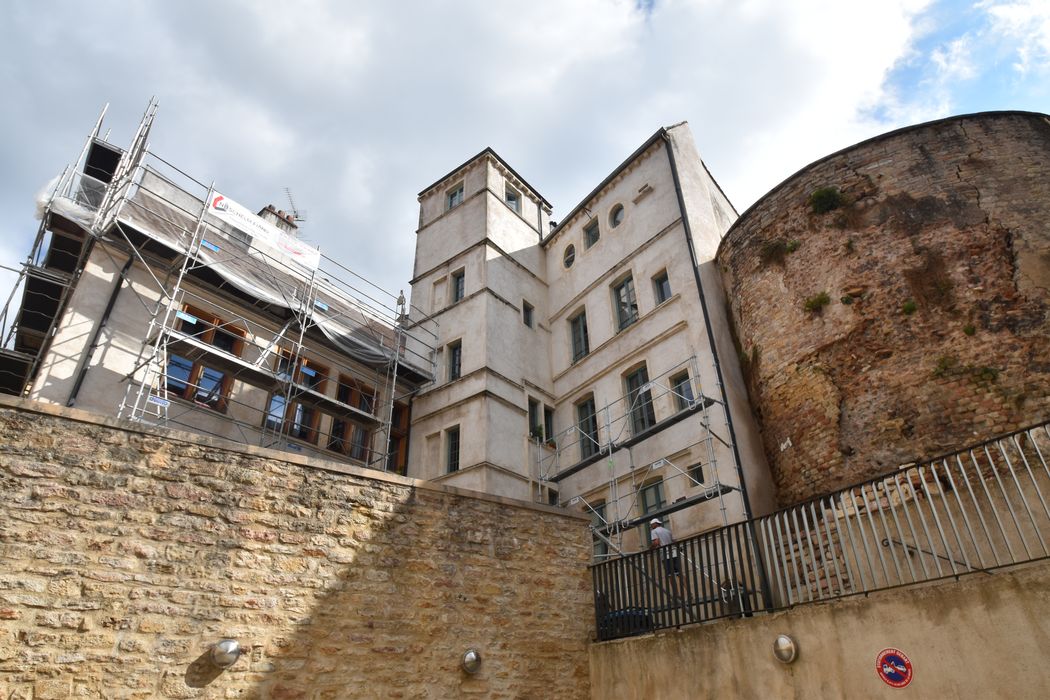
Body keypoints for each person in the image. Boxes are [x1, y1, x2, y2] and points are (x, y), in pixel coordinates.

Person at [650, 517, 681, 594]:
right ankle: (689, 593)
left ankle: (676, 595)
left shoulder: (654, 531)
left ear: (655, 524)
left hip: (665, 554)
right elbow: (674, 541)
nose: (651, 526)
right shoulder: (667, 530)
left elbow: (656, 542)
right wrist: (679, 548)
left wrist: (650, 548)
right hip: (673, 553)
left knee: (670, 575)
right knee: (679, 573)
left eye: (651, 525)